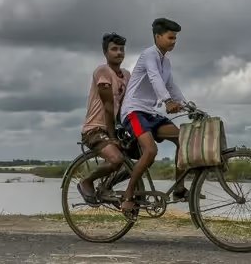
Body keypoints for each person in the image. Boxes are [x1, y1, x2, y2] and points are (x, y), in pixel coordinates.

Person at [118, 17, 188, 219]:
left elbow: (171, 85)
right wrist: (166, 101)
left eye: (175, 38)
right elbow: (155, 79)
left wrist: (187, 105)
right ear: (158, 36)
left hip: (150, 113)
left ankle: (179, 188)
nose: (174, 42)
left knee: (183, 138)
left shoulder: (166, 60)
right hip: (134, 111)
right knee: (150, 151)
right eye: (170, 37)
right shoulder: (149, 55)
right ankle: (129, 194)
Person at [77, 32, 130, 206]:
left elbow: (123, 106)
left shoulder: (126, 76)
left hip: (113, 127)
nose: (119, 52)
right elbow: (108, 107)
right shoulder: (103, 71)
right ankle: (86, 181)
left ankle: (106, 188)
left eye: (121, 49)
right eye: (114, 49)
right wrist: (112, 136)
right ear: (105, 53)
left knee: (141, 161)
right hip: (95, 129)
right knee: (116, 159)